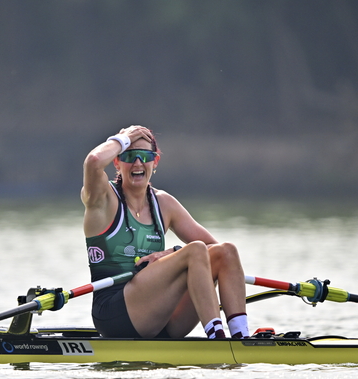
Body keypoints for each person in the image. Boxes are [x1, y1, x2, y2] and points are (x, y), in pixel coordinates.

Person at [82, 125, 249, 339]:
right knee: (195, 249)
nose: (138, 163)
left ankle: (241, 337)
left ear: (155, 162)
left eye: (145, 156)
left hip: (161, 318)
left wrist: (169, 253)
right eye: (130, 155)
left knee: (226, 251)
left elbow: (214, 252)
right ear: (117, 161)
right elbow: (94, 162)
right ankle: (217, 338)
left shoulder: (164, 203)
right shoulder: (102, 199)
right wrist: (122, 139)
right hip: (115, 314)